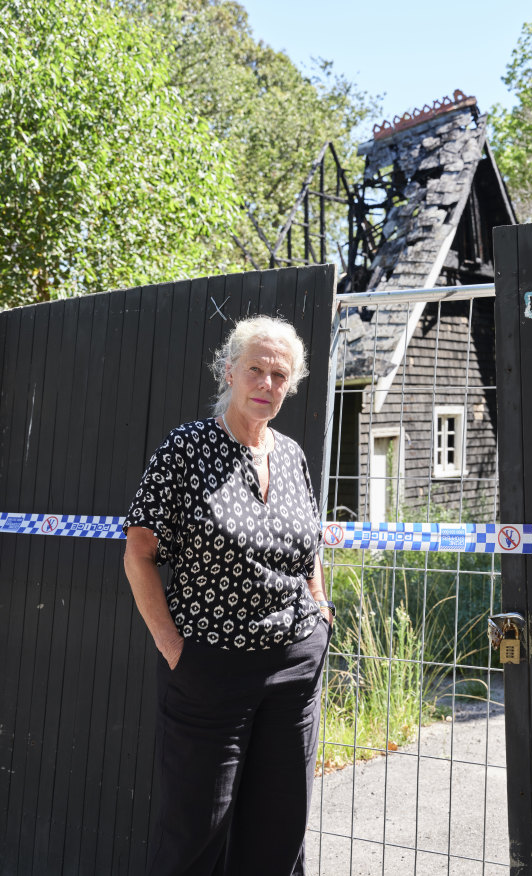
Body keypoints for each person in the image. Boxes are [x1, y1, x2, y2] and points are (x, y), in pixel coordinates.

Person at [123, 315, 335, 876]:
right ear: (230, 373)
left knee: (280, 829)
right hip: (209, 670)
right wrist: (175, 649)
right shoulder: (186, 449)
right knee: (196, 832)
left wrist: (320, 609)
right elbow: (139, 553)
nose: (267, 384)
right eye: (256, 371)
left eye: (279, 375)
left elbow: (309, 541)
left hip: (293, 669)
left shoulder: (291, 455)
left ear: (291, 383)